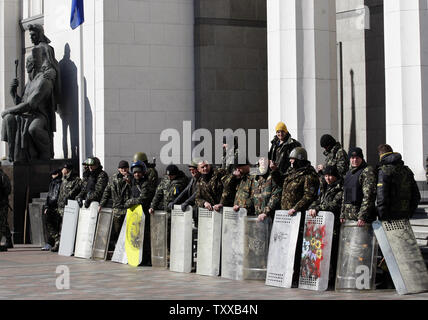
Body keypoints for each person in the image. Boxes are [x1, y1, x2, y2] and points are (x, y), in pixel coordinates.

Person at [2, 48, 55, 161]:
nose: (26, 67)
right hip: (27, 114)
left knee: (34, 129)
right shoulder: (30, 83)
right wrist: (13, 93)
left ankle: (45, 153)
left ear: (32, 66)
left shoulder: (43, 81)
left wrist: (8, 110)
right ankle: (12, 155)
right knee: (9, 118)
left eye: (27, 64)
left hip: (40, 115)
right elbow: (22, 103)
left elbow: (30, 104)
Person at [279, 147, 320, 286]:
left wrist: (295, 208)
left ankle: (297, 275)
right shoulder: (292, 172)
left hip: (299, 216)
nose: (291, 162)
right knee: (287, 246)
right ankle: (287, 274)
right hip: (287, 216)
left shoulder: (308, 174)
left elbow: (309, 195)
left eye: (293, 159)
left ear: (300, 159)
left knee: (297, 248)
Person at [308, 165, 344, 282]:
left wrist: (318, 208)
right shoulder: (325, 187)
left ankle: (334, 279)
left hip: (334, 226)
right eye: (326, 176)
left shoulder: (340, 188)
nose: (328, 178)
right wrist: (313, 206)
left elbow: (334, 204)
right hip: (323, 226)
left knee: (334, 253)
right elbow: (318, 200)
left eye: (330, 176)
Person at [376, 144, 420, 221]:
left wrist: (382, 215)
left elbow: (381, 197)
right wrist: (410, 212)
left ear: (380, 155)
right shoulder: (406, 170)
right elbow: (416, 195)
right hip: (405, 214)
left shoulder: (384, 171)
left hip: (389, 216)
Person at [124, 161, 155, 266]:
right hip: (135, 215)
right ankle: (135, 258)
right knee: (135, 236)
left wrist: (129, 202)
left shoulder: (146, 184)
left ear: (143, 172)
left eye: (139, 172)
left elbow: (143, 199)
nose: (136, 174)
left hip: (144, 214)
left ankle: (145, 259)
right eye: (135, 172)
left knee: (145, 238)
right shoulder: (134, 183)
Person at [99, 160, 132, 248]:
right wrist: (101, 204)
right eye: (122, 168)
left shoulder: (132, 177)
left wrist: (129, 181)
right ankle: (118, 247)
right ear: (118, 169)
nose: (123, 170)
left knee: (128, 230)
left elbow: (136, 190)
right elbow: (107, 191)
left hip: (128, 208)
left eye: (125, 168)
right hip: (117, 209)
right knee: (117, 230)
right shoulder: (114, 178)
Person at [340, 147, 377, 226]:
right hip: (349, 218)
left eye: (357, 158)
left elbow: (369, 195)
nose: (355, 160)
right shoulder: (349, 173)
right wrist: (342, 214)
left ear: (361, 158)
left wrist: (362, 216)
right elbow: (345, 195)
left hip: (361, 220)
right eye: (352, 158)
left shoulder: (367, 171)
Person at [52, 163, 81, 252]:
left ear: (67, 170)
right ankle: (60, 244)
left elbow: (75, 192)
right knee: (58, 226)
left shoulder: (76, 180)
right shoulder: (63, 179)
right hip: (60, 206)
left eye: (63, 169)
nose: (61, 171)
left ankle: (67, 246)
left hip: (68, 207)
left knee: (66, 227)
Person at [167, 160, 201, 225]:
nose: (191, 172)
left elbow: (197, 193)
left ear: (198, 169)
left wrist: (186, 202)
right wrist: (175, 202)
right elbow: (185, 191)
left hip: (201, 210)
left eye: (193, 169)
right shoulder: (193, 179)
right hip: (195, 210)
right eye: (190, 170)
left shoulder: (202, 179)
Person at [253, 157, 282, 222]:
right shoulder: (256, 178)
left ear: (269, 161)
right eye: (261, 159)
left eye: (265, 159)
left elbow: (276, 195)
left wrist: (265, 212)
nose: (263, 162)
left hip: (270, 217)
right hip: (258, 218)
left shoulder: (273, 176)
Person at [41, 168, 62, 251]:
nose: (52, 176)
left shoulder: (59, 183)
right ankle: (52, 242)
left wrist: (49, 206)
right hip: (51, 207)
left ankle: (54, 241)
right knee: (50, 224)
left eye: (53, 174)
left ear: (57, 174)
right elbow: (49, 196)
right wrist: (46, 206)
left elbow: (54, 197)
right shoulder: (53, 183)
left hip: (55, 207)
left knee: (53, 225)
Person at [0, 164, 12, 252]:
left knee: (2, 223)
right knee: (3, 222)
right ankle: (9, 240)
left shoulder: (3, 176)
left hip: (2, 203)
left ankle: (7, 240)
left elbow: (8, 190)